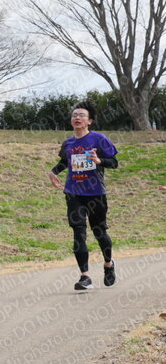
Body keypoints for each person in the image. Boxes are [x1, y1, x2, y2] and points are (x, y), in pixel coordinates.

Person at [48, 101, 118, 291]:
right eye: (74, 115)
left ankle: (109, 264)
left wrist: (99, 160)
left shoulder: (99, 139)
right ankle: (85, 276)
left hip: (96, 193)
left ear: (90, 121)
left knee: (99, 232)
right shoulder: (68, 143)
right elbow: (66, 161)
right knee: (78, 232)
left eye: (81, 115)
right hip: (73, 193)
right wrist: (53, 172)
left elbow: (114, 162)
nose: (77, 118)